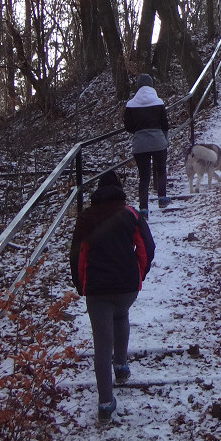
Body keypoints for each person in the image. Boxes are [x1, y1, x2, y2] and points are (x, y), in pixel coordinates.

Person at [69, 170, 154, 422]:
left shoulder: (86, 218)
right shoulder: (131, 214)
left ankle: (105, 402)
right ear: (119, 190)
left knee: (101, 343)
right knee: (121, 315)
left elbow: (77, 255)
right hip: (126, 286)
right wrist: (139, 273)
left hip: (96, 288)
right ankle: (121, 366)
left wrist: (80, 284)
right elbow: (147, 247)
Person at [124, 73, 170, 215]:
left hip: (140, 144)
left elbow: (128, 126)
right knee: (161, 170)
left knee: (144, 176)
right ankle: (162, 198)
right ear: (151, 85)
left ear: (138, 87)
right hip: (158, 142)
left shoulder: (131, 104)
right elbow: (165, 124)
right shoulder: (159, 102)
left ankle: (143, 208)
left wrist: (139, 132)